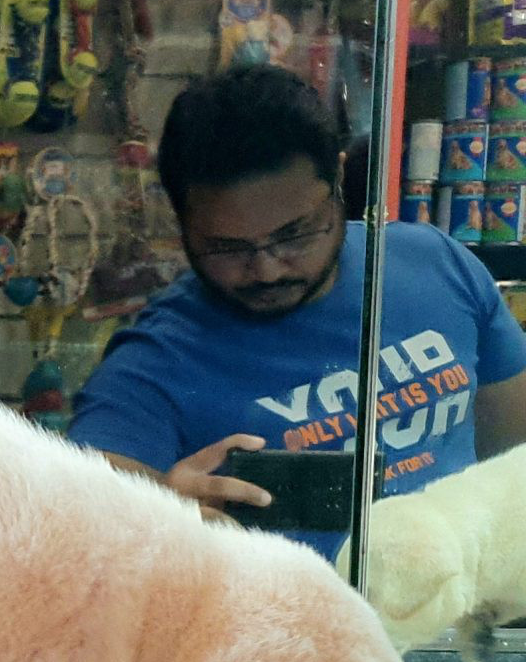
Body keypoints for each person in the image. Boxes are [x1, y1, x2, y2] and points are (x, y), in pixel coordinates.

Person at [68, 65, 526, 555]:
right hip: (289, 627)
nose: (265, 270)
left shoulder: (436, 263)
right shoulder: (153, 362)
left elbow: (514, 460)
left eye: (294, 234)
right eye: (225, 248)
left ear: (340, 182)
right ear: (180, 221)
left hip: (461, 620)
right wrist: (151, 518)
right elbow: (75, 517)